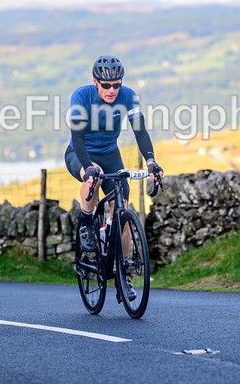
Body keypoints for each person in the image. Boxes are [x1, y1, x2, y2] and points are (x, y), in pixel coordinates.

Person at [64, 54, 164, 300]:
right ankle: (87, 223)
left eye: (116, 85)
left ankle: (123, 273)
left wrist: (151, 162)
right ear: (95, 82)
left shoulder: (128, 96)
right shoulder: (81, 96)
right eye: (106, 85)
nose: (111, 90)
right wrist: (88, 166)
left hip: (111, 154)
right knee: (94, 177)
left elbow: (140, 131)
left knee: (122, 214)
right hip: (81, 153)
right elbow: (77, 137)